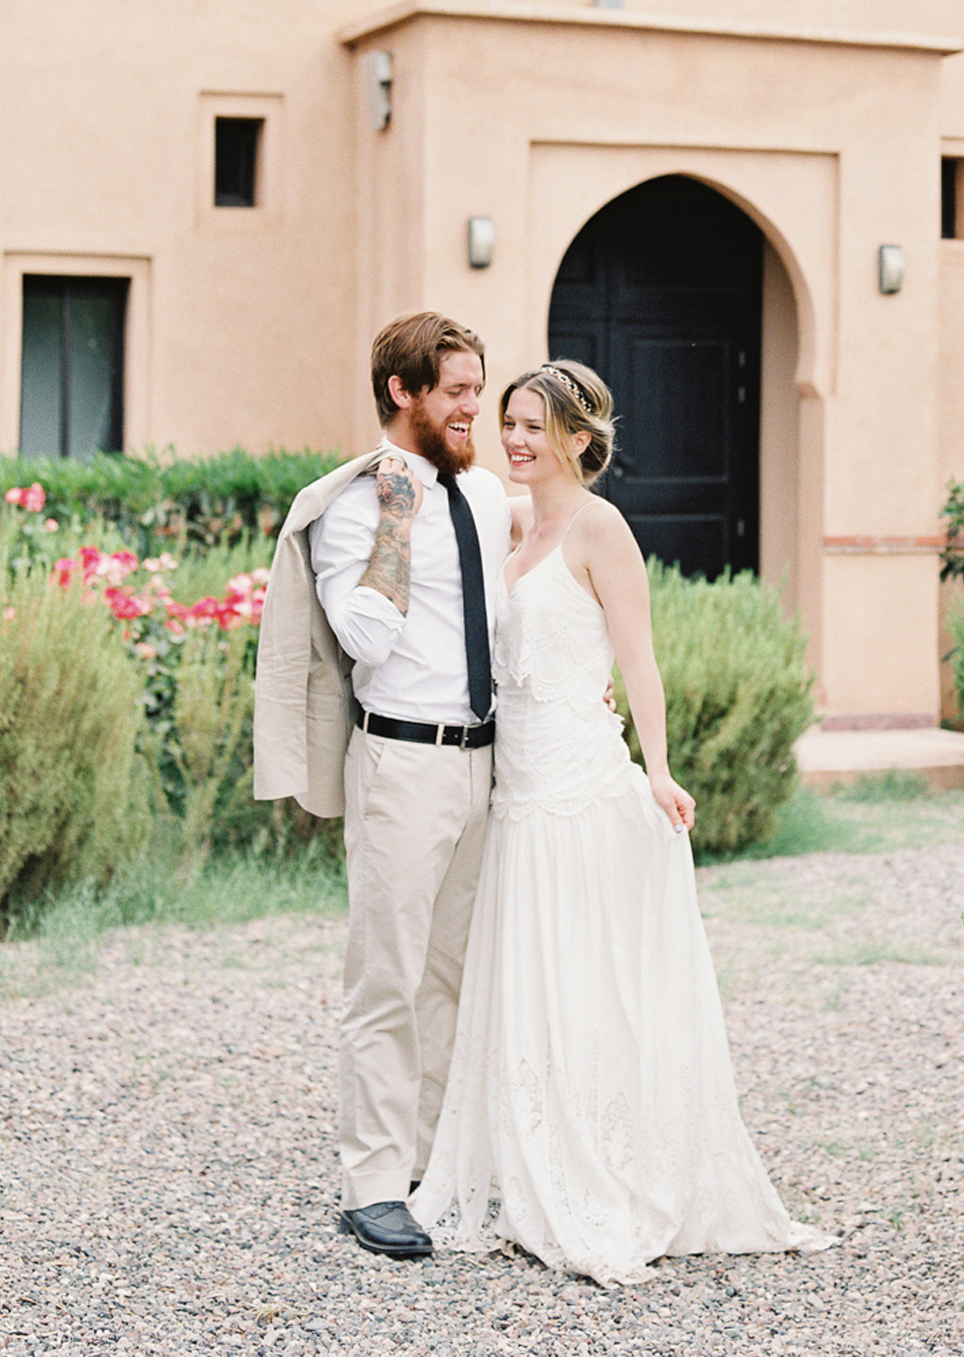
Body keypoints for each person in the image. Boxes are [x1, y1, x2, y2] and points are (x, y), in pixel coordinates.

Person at [410, 359, 835, 1286]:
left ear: (578, 438)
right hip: (517, 794)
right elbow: (437, 500)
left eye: (534, 427)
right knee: (529, 980)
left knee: (589, 979)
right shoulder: (510, 520)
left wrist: (661, 768)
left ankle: (604, 1165)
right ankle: (527, 1158)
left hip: (581, 790)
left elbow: (637, 659)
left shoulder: (602, 529)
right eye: (510, 423)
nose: (515, 439)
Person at [253, 312, 511, 1262]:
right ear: (404, 392)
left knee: (453, 973)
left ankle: (430, 1164)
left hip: (488, 762)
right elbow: (365, 639)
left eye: (478, 389)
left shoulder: (486, 495)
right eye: (457, 391)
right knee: (388, 977)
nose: (474, 408)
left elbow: (509, 609)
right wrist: (398, 520)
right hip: (402, 764)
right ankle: (372, 1186)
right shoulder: (354, 507)